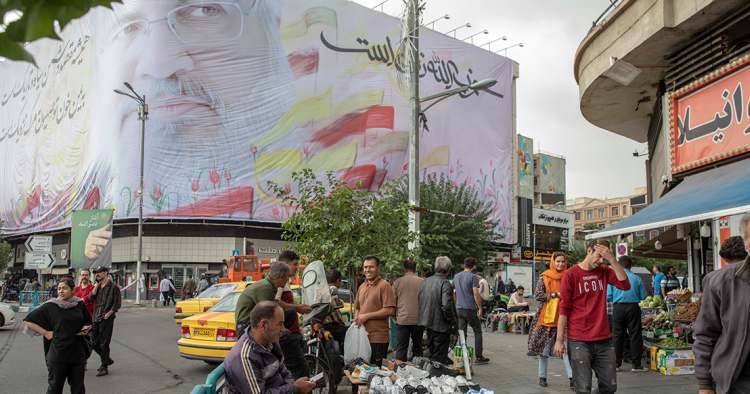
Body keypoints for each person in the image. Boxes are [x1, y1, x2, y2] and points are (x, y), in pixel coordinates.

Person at [554, 239, 630, 394]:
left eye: (604, 257)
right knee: (583, 389)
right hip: (579, 341)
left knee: (610, 387)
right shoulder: (570, 275)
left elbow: (625, 285)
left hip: (603, 339)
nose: (601, 261)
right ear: (589, 251)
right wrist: (559, 340)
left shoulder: (605, 270)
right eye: (599, 256)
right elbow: (564, 308)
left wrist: (612, 259)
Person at [694, 213, 750, 394]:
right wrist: (704, 383)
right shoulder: (721, 282)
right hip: (738, 383)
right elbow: (705, 334)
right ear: (747, 243)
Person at [224, 301, 317, 394]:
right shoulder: (244, 357)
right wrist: (294, 388)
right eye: (279, 324)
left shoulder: (271, 342)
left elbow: (284, 373)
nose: (283, 329)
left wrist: (293, 388)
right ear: (263, 325)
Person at [23, 277, 92, 394]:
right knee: (54, 388)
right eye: (59, 288)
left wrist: (86, 329)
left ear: (72, 290)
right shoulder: (51, 305)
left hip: (77, 352)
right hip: (58, 354)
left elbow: (88, 322)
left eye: (64, 288)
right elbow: (28, 320)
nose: (61, 291)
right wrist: (46, 333)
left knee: (78, 389)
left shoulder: (79, 304)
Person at [528, 252, 573, 389]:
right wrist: (555, 295)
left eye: (562, 261)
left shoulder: (569, 275)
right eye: (558, 261)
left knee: (566, 348)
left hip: (564, 316)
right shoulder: (545, 276)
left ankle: (572, 378)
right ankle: (542, 376)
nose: (560, 264)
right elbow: (538, 295)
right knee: (544, 348)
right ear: (553, 262)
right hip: (547, 317)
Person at [274, 250, 312, 379]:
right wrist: (297, 308)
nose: (297, 267)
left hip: (293, 332)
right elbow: (276, 301)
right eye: (295, 264)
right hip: (287, 333)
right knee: (300, 372)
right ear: (285, 264)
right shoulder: (279, 281)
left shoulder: (287, 281)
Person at [607, 256, 648, 373]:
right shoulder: (637, 278)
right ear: (631, 266)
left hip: (618, 307)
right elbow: (644, 296)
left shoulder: (614, 278)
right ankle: (636, 365)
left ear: (619, 265)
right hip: (633, 307)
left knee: (617, 335)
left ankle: (616, 363)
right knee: (635, 335)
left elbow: (608, 295)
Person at [353, 255, 396, 367]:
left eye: (371, 267)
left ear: (378, 268)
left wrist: (367, 316)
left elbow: (390, 310)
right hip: (362, 338)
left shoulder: (384, 286)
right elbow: (358, 307)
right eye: (365, 267)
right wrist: (357, 320)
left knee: (375, 375)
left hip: (378, 338)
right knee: (359, 372)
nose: (368, 270)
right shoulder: (362, 286)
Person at [418, 256, 457, 365]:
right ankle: (437, 376)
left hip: (428, 324)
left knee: (433, 355)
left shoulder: (425, 282)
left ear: (435, 267)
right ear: (449, 269)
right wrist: (452, 321)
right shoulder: (445, 283)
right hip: (441, 326)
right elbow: (446, 306)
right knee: (439, 359)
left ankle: (432, 376)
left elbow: (420, 301)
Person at [452, 257, 490, 364]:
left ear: (464, 265)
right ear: (473, 267)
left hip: (459, 309)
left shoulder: (456, 276)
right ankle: (479, 356)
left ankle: (462, 356)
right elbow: (476, 293)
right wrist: (480, 308)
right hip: (470, 309)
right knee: (477, 331)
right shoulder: (473, 277)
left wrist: (456, 300)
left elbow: (451, 290)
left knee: (462, 332)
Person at [235, 262, 290, 335]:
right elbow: (268, 314)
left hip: (255, 324)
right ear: (281, 277)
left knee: (290, 313)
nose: (288, 280)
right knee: (285, 334)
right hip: (247, 327)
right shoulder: (265, 288)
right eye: (288, 277)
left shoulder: (270, 286)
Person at [87, 266, 122, 377]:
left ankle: (104, 366)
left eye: (99, 272)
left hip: (106, 318)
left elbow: (117, 304)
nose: (97, 274)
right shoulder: (98, 287)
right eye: (96, 273)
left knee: (104, 343)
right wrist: (97, 284)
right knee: (93, 342)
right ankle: (106, 359)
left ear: (105, 273)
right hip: (95, 317)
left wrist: (108, 314)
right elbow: (90, 297)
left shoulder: (113, 287)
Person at [392, 260, 424, 362]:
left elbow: (392, 303)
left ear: (404, 269)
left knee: (401, 348)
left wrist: (394, 318)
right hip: (418, 320)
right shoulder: (422, 282)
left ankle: (401, 372)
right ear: (415, 270)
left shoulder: (397, 282)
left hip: (402, 320)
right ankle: (418, 370)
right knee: (418, 348)